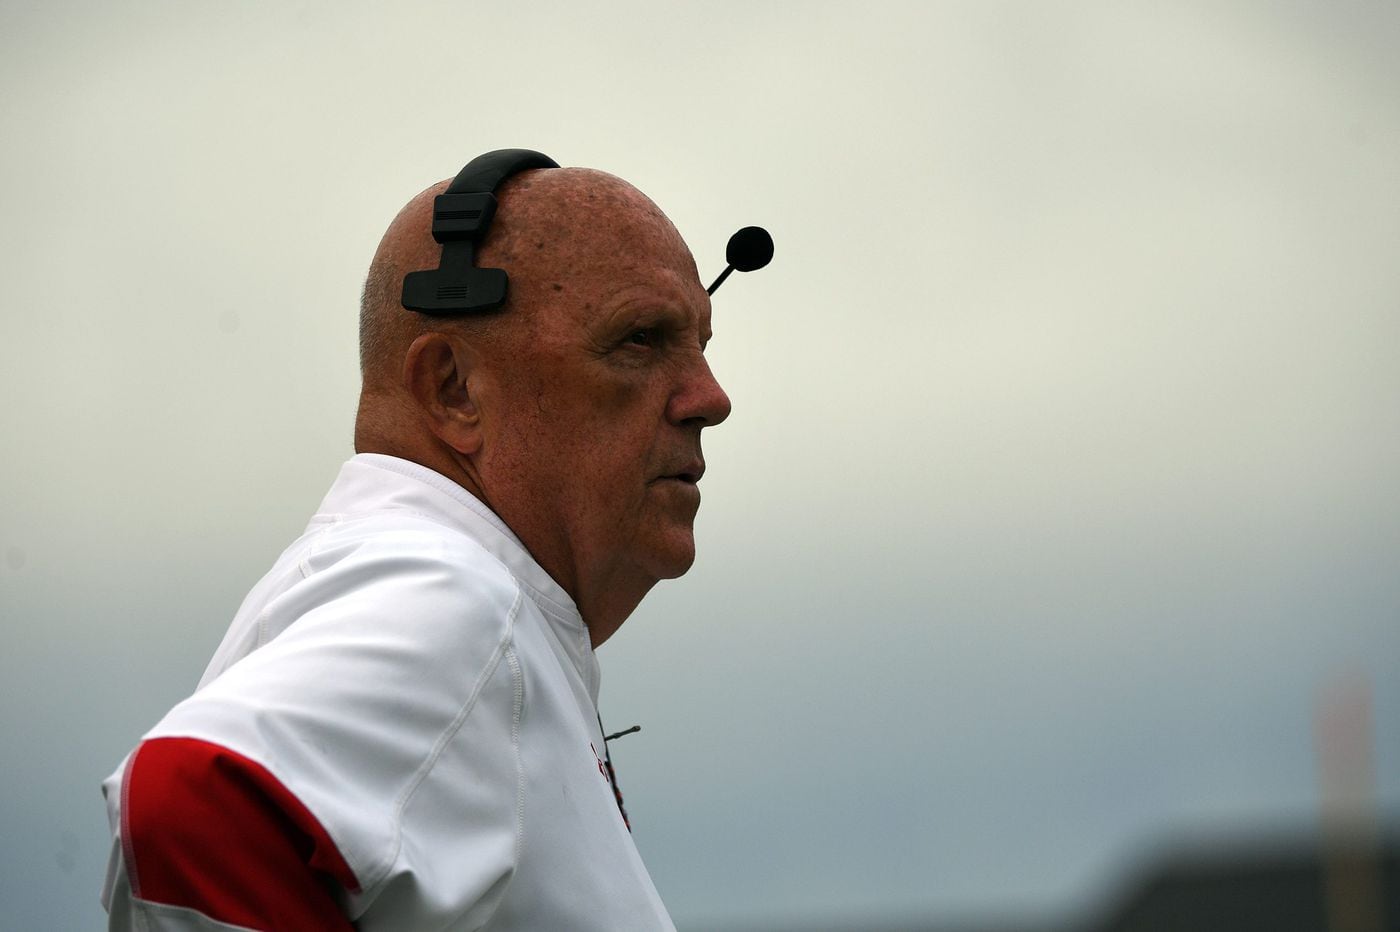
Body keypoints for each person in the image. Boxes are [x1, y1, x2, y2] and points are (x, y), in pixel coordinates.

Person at [99, 155, 733, 931]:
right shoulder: (457, 600)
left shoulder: (419, 589)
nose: (711, 397)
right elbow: (192, 799)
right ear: (453, 389)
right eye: (639, 340)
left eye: (700, 343)